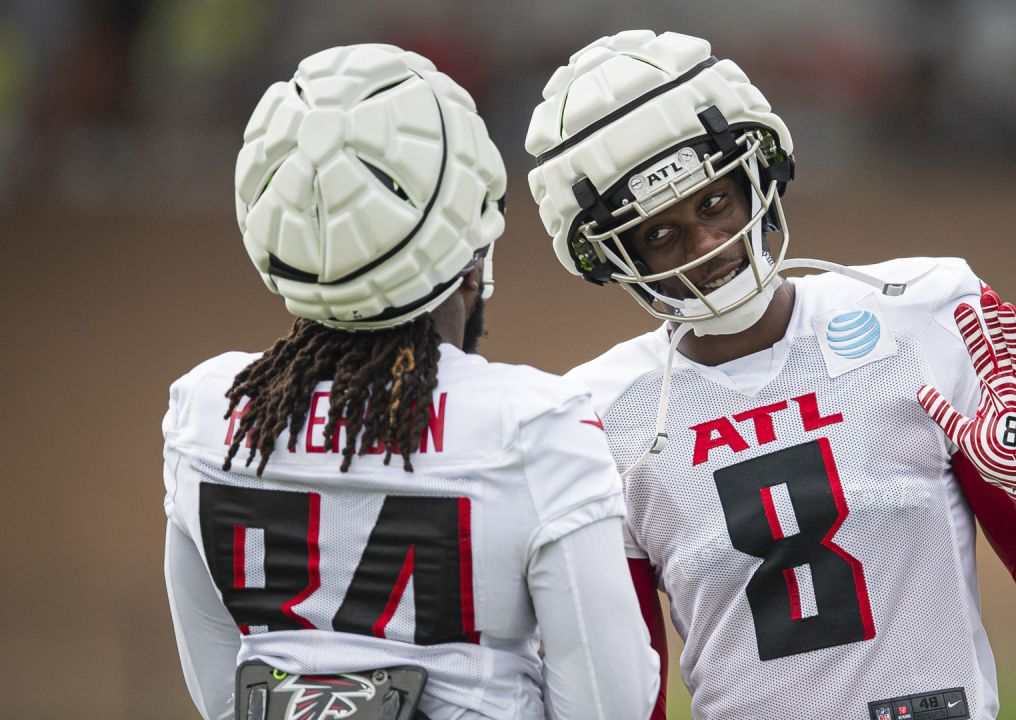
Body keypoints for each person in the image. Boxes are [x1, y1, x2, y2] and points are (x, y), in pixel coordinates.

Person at [525, 30, 1016, 720]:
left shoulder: (923, 314)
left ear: (757, 177)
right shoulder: (597, 419)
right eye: (659, 234)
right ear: (615, 257)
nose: (706, 247)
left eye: (714, 203)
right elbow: (627, 703)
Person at [163, 43, 659, 720]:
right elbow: (611, 706)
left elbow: (223, 695)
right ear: (467, 251)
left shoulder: (208, 414)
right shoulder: (535, 426)